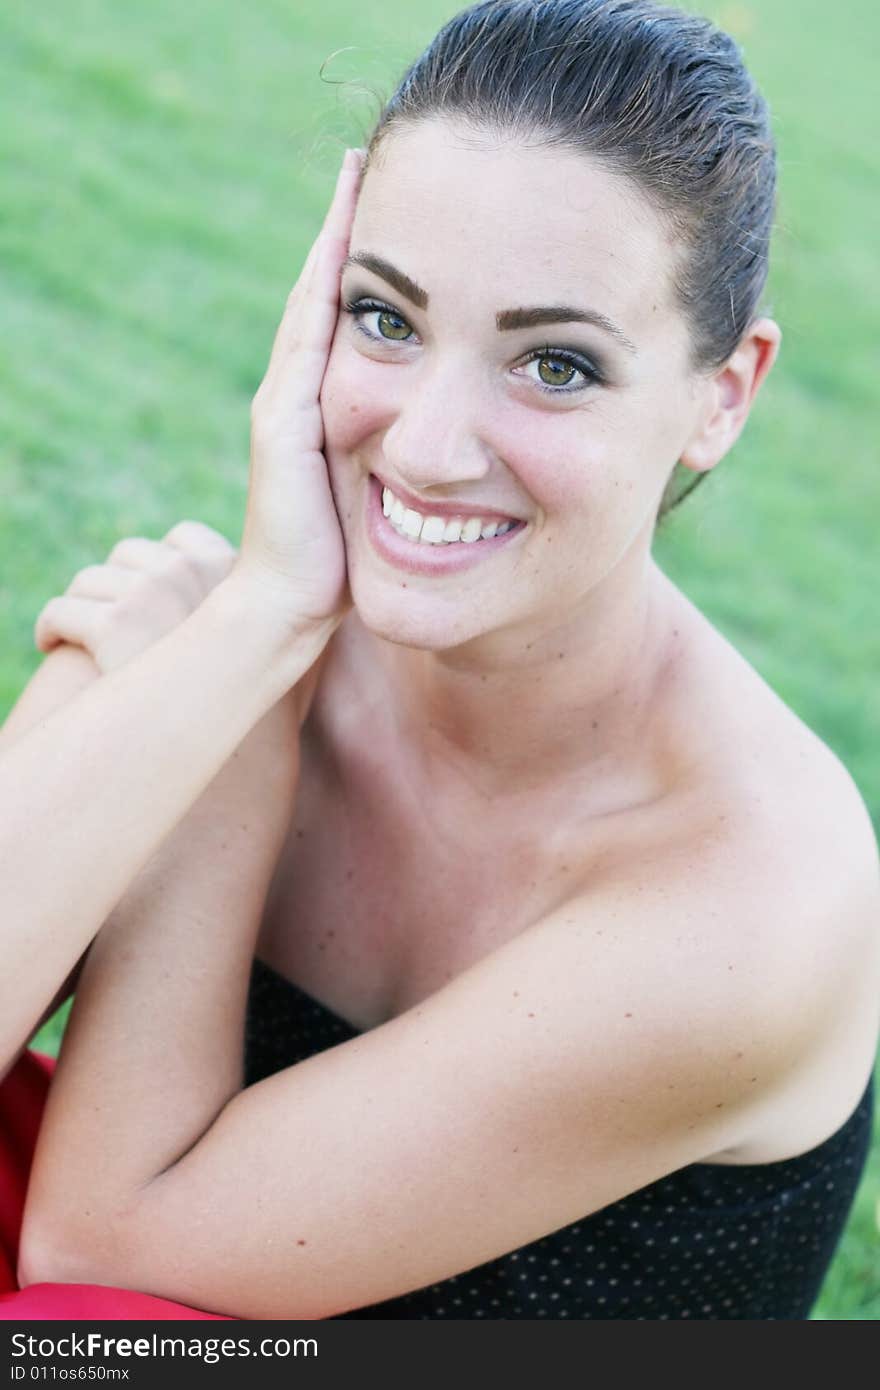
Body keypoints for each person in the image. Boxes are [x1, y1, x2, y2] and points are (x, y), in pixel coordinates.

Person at [1, 0, 877, 1321]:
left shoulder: (761, 896)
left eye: (558, 365)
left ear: (723, 393)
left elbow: (97, 1291)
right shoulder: (214, 637)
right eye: (387, 318)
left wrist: (233, 765)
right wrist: (248, 639)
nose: (423, 446)